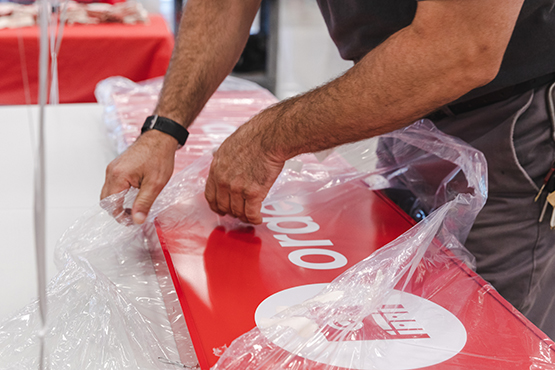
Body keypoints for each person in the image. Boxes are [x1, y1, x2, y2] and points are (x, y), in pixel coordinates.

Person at [101, 0, 555, 338]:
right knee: (404, 310)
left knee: (479, 331)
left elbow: (462, 49)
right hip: (406, 102)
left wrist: (268, 138)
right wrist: (164, 129)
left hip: (509, 118)